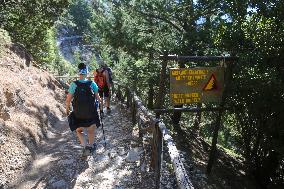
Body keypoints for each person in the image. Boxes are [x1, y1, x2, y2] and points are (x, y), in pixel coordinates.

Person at [66, 63, 102, 157]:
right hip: (91, 112)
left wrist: (67, 108)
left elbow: (68, 99)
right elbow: (98, 98)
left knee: (79, 130)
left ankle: (85, 146)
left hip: (78, 113)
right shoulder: (92, 83)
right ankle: (90, 146)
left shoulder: (74, 84)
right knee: (91, 130)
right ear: (86, 73)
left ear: (79, 73)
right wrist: (101, 107)